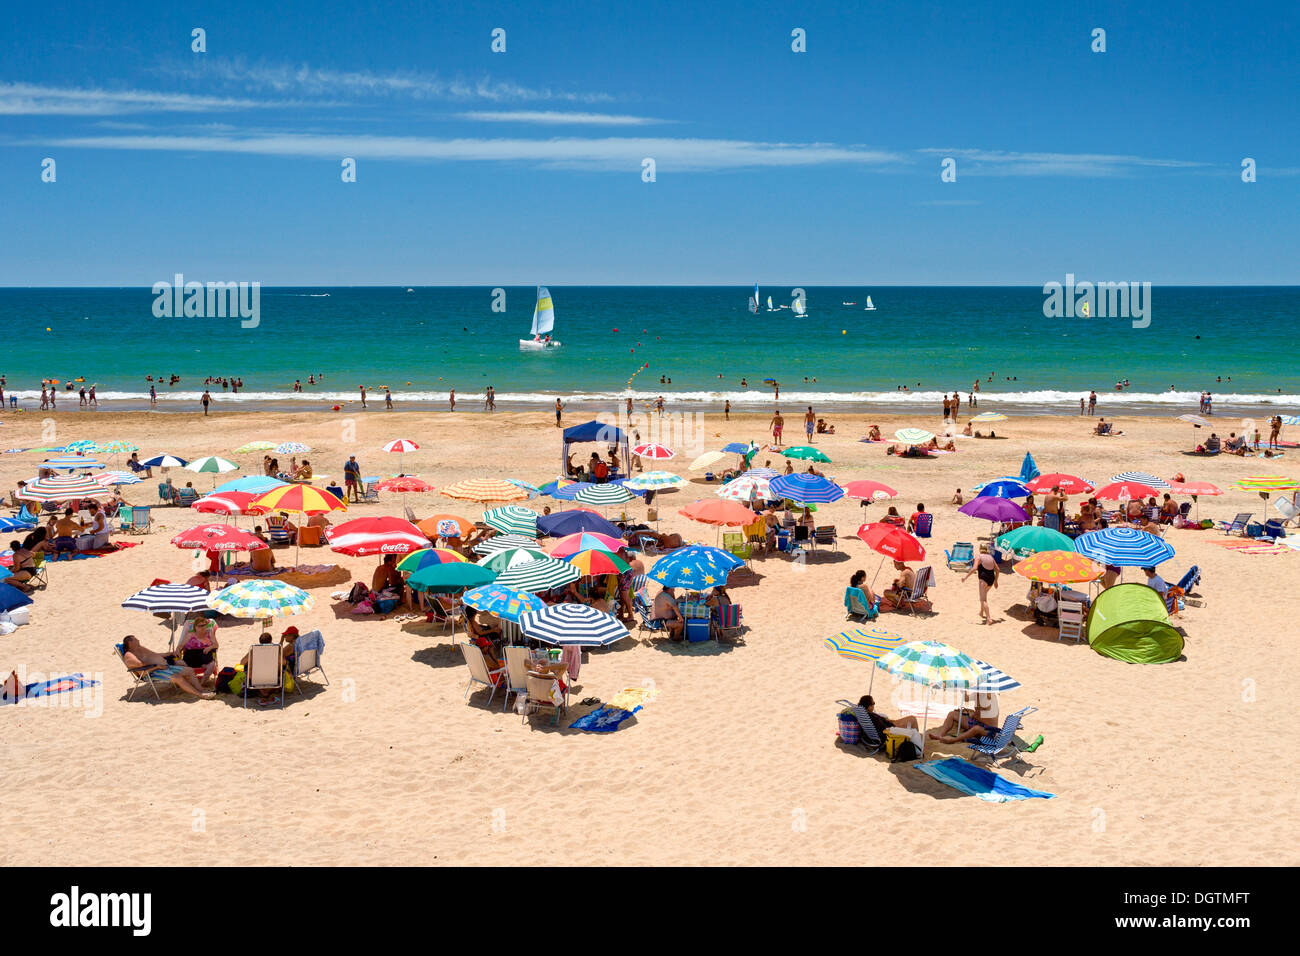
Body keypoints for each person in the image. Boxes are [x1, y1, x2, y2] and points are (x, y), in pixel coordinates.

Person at [121, 635, 215, 699]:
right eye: (135, 639)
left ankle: (201, 689)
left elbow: (155, 654)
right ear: (130, 642)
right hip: (152, 672)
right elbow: (140, 665)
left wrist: (169, 653)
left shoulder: (141, 648)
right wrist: (157, 666)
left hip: (164, 667)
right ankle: (200, 694)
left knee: (190, 670)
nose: (138, 640)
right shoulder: (129, 655)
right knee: (178, 677)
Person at [963, 544, 999, 625]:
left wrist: (965, 577)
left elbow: (974, 568)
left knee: (983, 600)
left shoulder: (978, 557)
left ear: (980, 549)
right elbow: (998, 570)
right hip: (991, 579)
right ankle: (981, 613)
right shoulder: (991, 557)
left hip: (983, 579)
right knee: (984, 596)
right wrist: (996, 581)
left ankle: (989, 619)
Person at [178, 617, 220, 684]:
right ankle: (189, 682)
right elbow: (180, 646)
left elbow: (216, 645)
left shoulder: (209, 633)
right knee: (177, 663)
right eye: (200, 626)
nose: (202, 627)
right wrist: (177, 650)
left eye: (204, 625)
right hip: (190, 657)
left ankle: (201, 683)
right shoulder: (190, 635)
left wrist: (209, 648)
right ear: (195, 627)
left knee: (212, 665)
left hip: (204, 656)